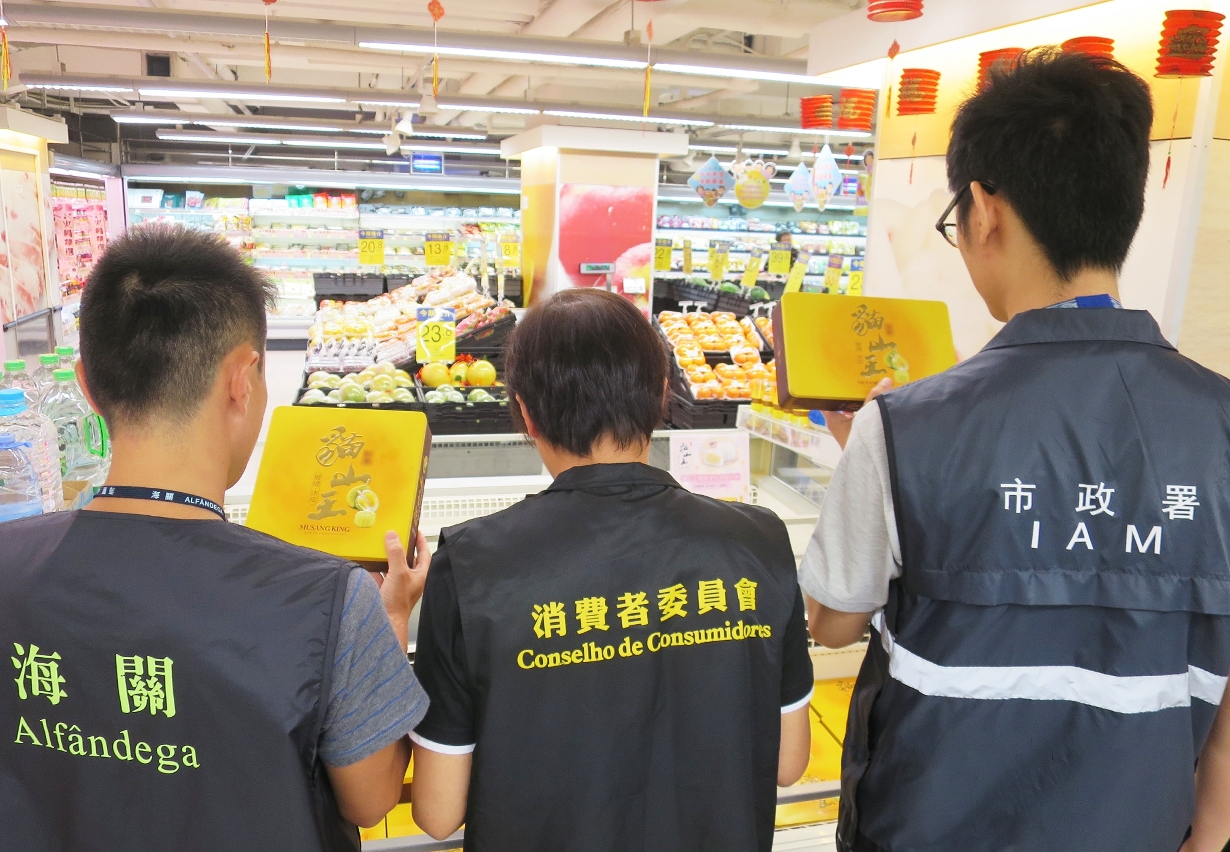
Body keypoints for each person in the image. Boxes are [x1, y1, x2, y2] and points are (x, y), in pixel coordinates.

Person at [802, 49, 1230, 852]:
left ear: (983, 209)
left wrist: (869, 460)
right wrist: (1207, 836)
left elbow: (831, 624)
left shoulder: (903, 427)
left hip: (927, 826)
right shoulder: (1220, 422)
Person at [0, 226, 430, 851]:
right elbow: (370, 800)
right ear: (242, 379)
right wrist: (390, 619)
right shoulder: (328, 600)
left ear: (86, 385)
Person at [408, 288, 814, 851]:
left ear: (525, 412)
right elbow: (789, 762)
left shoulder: (472, 565)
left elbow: (437, 812)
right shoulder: (760, 541)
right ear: (663, 394)